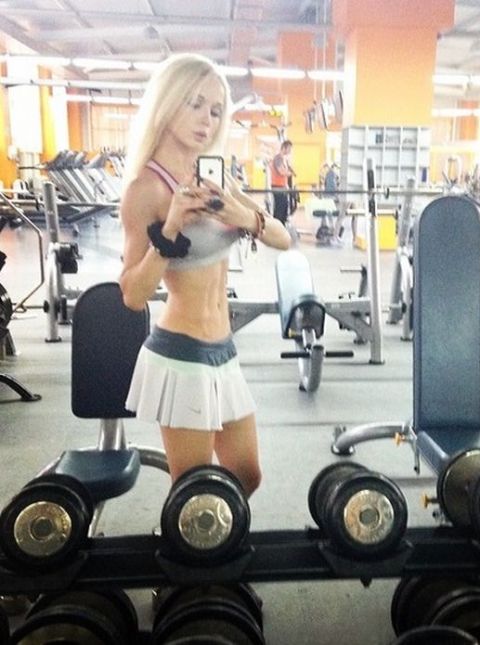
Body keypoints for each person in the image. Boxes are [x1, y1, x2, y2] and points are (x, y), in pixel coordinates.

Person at [119, 53, 291, 496]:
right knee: (194, 495)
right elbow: (133, 294)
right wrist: (171, 228)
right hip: (182, 352)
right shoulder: (146, 189)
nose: (206, 120)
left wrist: (243, 215)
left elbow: (283, 238)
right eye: (195, 104)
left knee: (246, 476)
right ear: (167, 103)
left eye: (215, 110)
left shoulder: (213, 176)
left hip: (223, 350)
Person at [270, 140, 295, 226]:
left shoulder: (283, 159)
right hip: (277, 187)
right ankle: (277, 227)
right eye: (289, 149)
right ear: (284, 148)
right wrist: (289, 173)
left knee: (284, 208)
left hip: (282, 186)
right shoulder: (278, 158)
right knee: (279, 209)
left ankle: (282, 226)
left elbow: (285, 171)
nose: (290, 151)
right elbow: (281, 171)